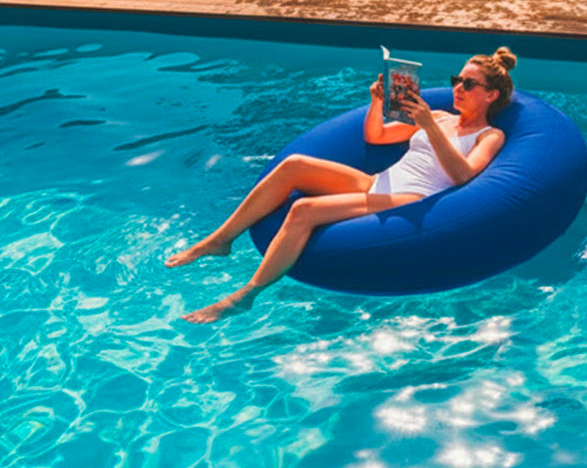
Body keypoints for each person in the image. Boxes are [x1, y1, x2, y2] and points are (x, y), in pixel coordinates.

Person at [167, 47, 518, 322]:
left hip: (414, 198)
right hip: (381, 182)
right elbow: (376, 136)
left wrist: (426, 125)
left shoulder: (491, 135)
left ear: (490, 96)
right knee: (294, 166)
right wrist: (377, 101)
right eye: (458, 79)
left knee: (304, 211)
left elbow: (463, 176)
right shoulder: (441, 117)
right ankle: (220, 239)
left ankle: (245, 296)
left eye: (469, 84)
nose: (458, 87)